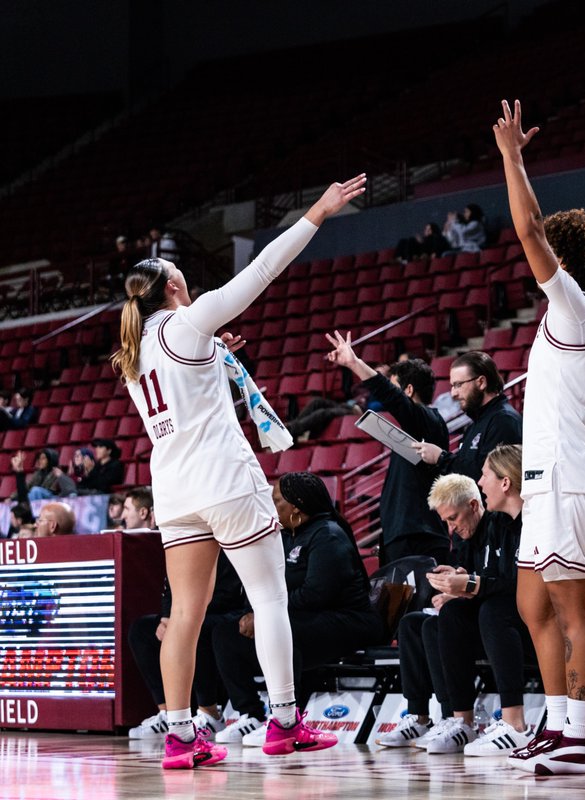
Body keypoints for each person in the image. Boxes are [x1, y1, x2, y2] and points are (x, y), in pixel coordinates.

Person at [109, 174, 364, 769]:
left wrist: (216, 358)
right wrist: (317, 212)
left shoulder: (133, 350)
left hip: (174, 490)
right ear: (174, 285)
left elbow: (188, 388)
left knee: (186, 617)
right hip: (223, 478)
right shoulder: (187, 321)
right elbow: (262, 272)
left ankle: (178, 736)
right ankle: (283, 722)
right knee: (270, 598)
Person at [495, 99, 585, 775]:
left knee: (572, 606)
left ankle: (581, 734)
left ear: (566, 259)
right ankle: (554, 720)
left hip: (569, 474)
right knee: (531, 601)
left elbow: (529, 230)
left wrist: (513, 158)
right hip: (557, 470)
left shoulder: (574, 307)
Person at [213, 473, 384, 746]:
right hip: (307, 616)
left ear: (296, 505)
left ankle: (285, 718)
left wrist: (266, 614)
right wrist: (257, 612)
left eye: (277, 500)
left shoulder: (328, 534)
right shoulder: (284, 536)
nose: (272, 505)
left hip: (348, 621)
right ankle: (251, 715)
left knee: (286, 631)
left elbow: (318, 593)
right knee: (225, 633)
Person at [379, 465, 526, 755]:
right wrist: (454, 580)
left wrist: (467, 586)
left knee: (454, 616)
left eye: (454, 518)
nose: (450, 528)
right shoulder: (462, 535)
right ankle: (428, 718)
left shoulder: (501, 524)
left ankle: (472, 720)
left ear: (474, 505)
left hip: (507, 615)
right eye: (445, 521)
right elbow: (473, 576)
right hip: (482, 610)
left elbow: (510, 583)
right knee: (413, 623)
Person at [325, 336, 452, 564]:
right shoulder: (418, 426)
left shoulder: (428, 420)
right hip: (407, 535)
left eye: (395, 387)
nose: (390, 396)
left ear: (409, 390)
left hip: (418, 537)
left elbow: (392, 397)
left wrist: (355, 363)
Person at [127, 552, 243, 740]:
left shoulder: (222, 543)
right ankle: (167, 713)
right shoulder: (181, 541)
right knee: (141, 630)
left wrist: (184, 619)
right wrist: (167, 617)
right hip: (187, 613)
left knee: (193, 629)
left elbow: (226, 593)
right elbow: (171, 583)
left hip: (226, 612)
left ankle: (210, 714)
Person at [411, 351, 522, 483]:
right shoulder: (476, 422)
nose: (453, 394)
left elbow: (487, 479)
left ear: (481, 382)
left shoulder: (503, 421)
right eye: (452, 386)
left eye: (458, 385)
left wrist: (440, 458)